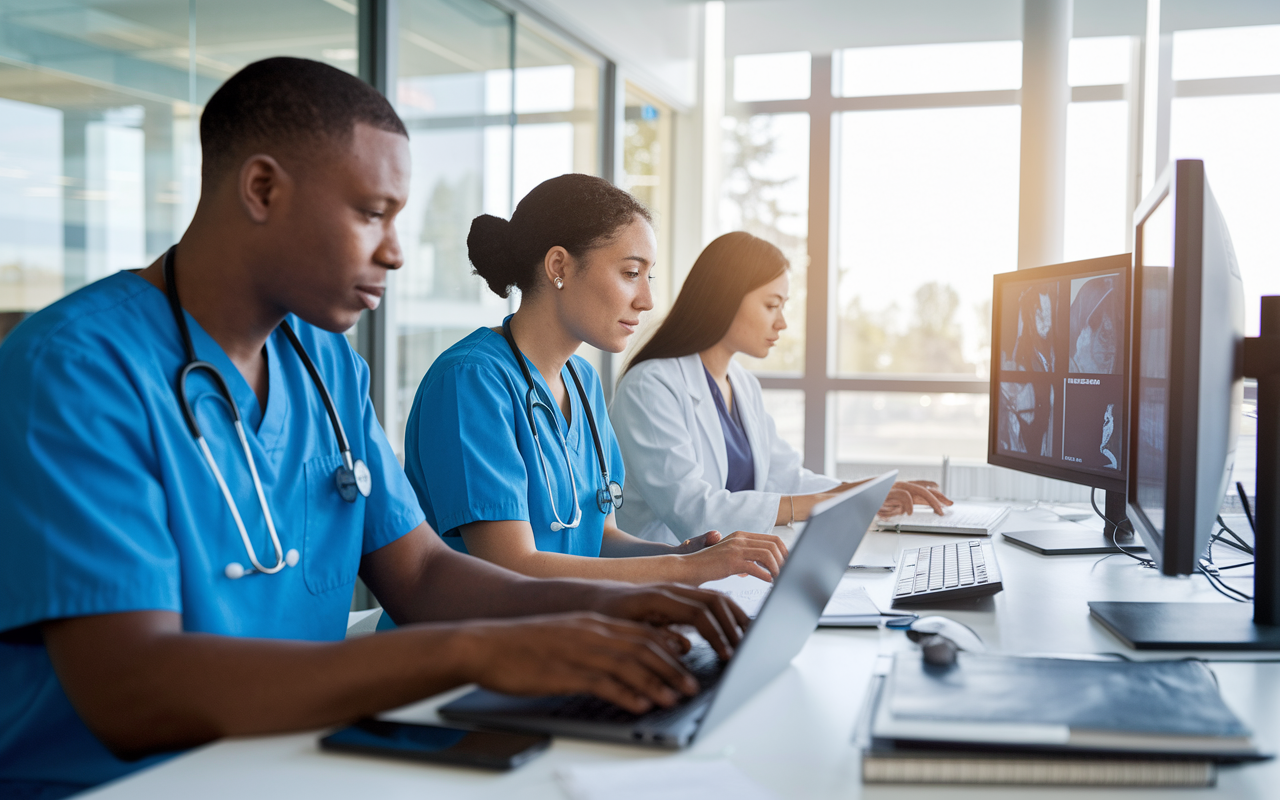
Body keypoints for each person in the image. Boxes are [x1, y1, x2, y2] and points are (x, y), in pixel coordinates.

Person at [0, 59, 747, 799]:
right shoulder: (75, 367)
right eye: (371, 213)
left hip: (300, 760)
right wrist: (478, 651)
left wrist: (623, 604)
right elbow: (132, 692)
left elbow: (420, 572)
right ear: (262, 189)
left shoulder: (327, 365)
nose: (394, 250)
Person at [403, 175, 789, 586]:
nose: (647, 300)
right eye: (630, 273)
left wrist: (682, 554)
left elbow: (598, 538)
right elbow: (509, 565)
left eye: (648, 277)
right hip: (472, 639)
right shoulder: (471, 381)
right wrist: (684, 569)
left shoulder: (582, 380)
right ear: (559, 267)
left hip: (561, 626)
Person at [610, 232, 951, 546]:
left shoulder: (742, 384)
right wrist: (829, 500)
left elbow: (787, 478)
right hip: (664, 576)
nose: (782, 322)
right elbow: (696, 513)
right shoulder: (650, 386)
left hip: (730, 569)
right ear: (723, 298)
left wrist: (865, 492)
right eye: (771, 305)